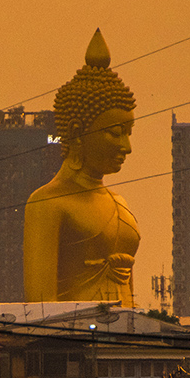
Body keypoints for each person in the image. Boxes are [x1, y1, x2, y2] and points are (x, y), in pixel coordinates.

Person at [23, 29, 140, 306]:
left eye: (128, 133)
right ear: (77, 133)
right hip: (72, 330)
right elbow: (41, 304)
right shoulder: (48, 202)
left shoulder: (120, 203)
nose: (126, 147)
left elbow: (129, 292)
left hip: (126, 327)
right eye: (115, 133)